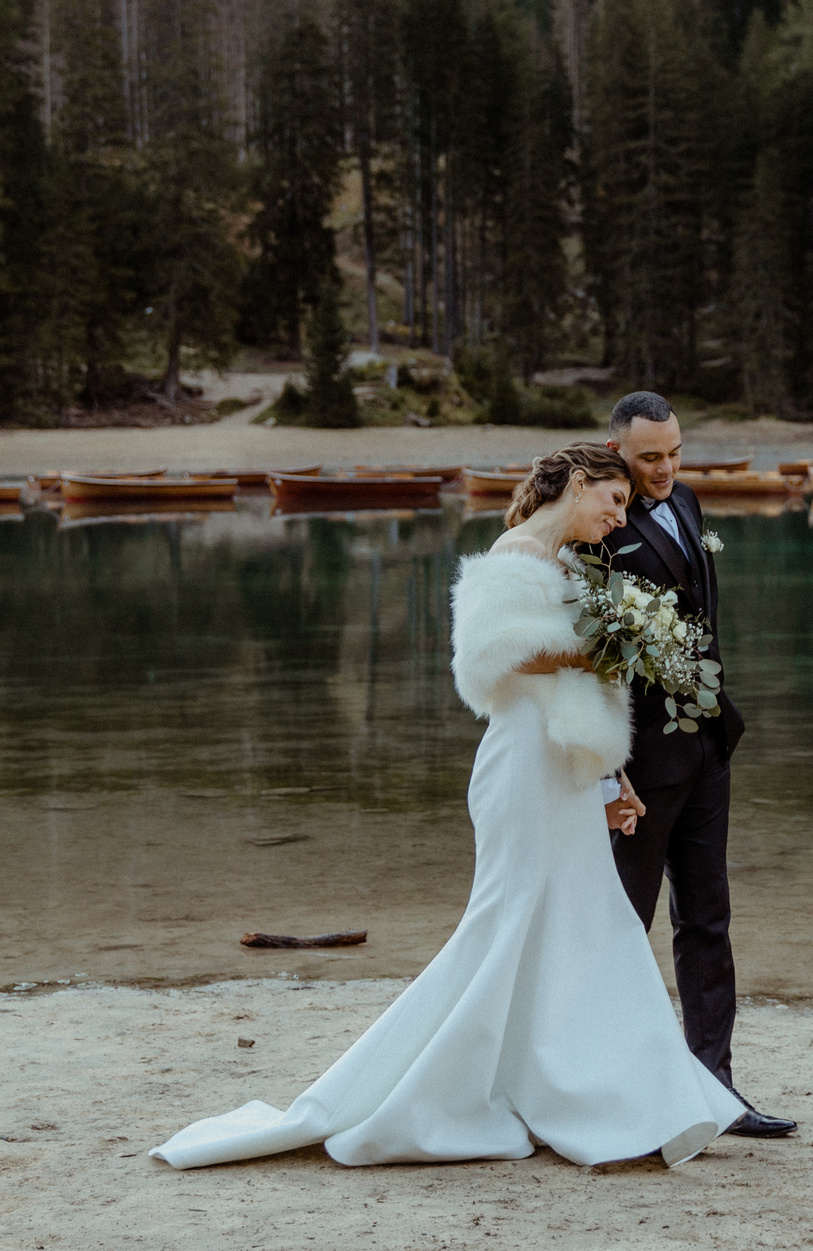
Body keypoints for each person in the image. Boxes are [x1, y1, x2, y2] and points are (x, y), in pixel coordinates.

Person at [148, 443, 743, 1170]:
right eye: (613, 500)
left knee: (591, 925)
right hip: (521, 768)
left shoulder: (572, 564)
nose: (621, 518)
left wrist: (609, 777)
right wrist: (606, 645)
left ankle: (612, 1095)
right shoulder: (515, 551)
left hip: (559, 770)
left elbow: (572, 689)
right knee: (508, 927)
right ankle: (464, 1092)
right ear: (578, 483)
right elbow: (494, 656)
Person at [598, 391, 797, 1140]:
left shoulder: (687, 500)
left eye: (675, 452)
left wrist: (715, 715)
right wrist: (608, 766)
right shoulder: (597, 527)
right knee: (624, 926)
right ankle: (616, 1093)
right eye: (650, 456)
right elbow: (590, 659)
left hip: (709, 744)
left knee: (708, 919)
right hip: (641, 763)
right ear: (616, 451)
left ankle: (715, 1091)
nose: (666, 469)